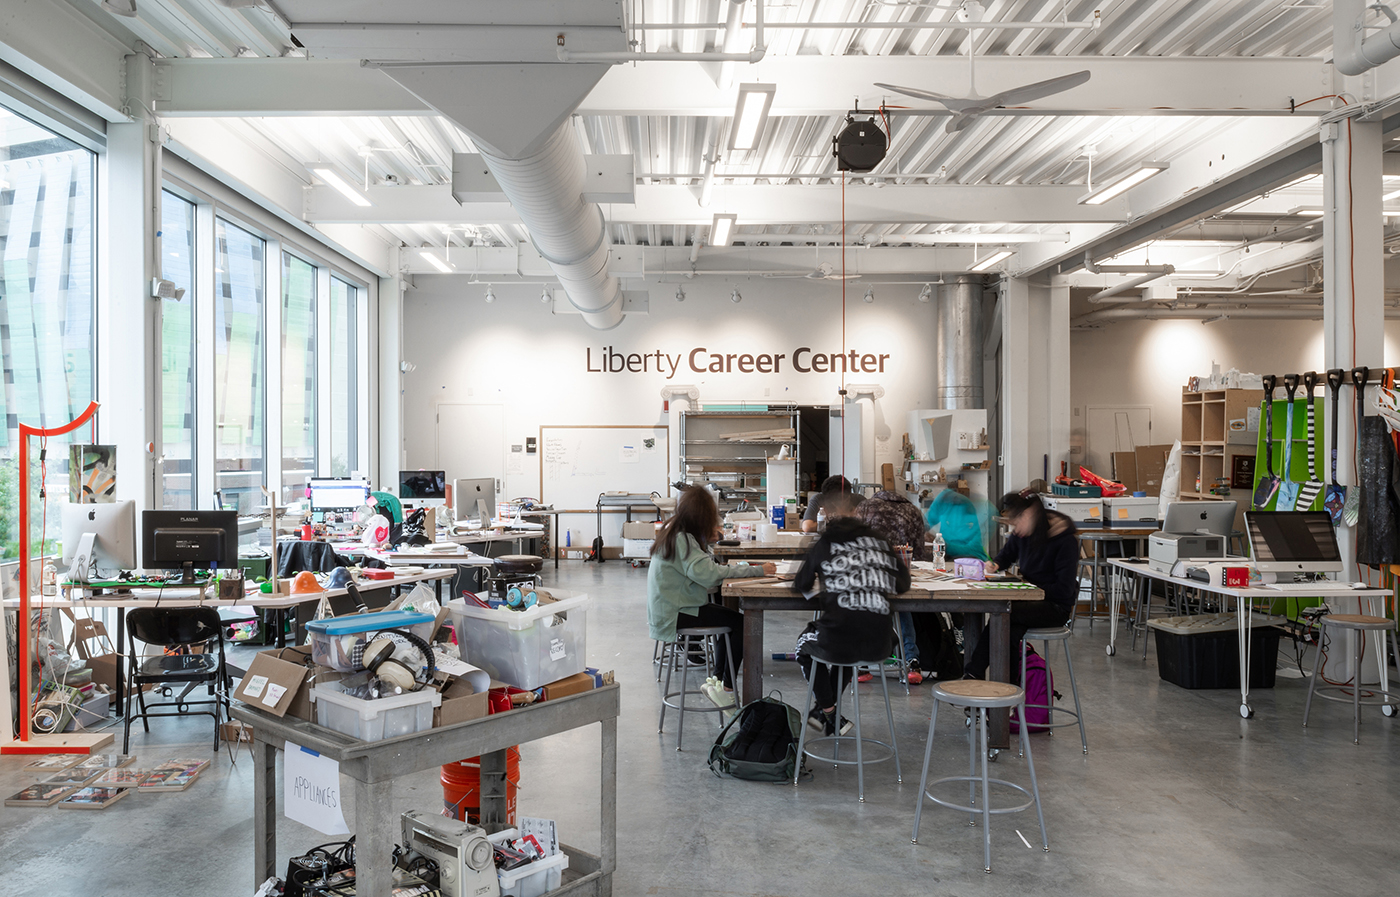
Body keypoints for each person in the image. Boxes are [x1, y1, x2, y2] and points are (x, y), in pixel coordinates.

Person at [647, 487, 775, 713]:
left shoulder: (676, 530)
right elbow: (709, 574)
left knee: (729, 619)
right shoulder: (683, 540)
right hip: (677, 612)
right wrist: (757, 571)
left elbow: (698, 568)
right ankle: (725, 688)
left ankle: (717, 682)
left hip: (673, 608)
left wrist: (708, 539)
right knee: (742, 624)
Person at [793, 492, 911, 735]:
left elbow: (801, 584)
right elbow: (902, 585)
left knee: (805, 647)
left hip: (840, 638)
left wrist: (831, 586)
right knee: (848, 643)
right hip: (880, 642)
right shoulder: (880, 541)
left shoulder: (825, 542)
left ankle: (826, 709)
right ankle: (830, 715)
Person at [965, 490, 1079, 680]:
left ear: (1029, 514)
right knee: (1007, 630)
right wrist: (996, 564)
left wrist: (1031, 589)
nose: (1015, 530)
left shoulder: (1064, 541)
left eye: (1016, 523)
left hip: (1055, 606)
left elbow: (1064, 590)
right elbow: (1008, 554)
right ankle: (1007, 690)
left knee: (1002, 614)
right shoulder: (1024, 534)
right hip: (1029, 600)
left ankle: (975, 675)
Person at [854, 490, 928, 684]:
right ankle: (912, 661)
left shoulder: (865, 507)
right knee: (903, 609)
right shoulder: (913, 510)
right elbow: (919, 551)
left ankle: (861, 663)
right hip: (900, 575)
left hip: (869, 575)